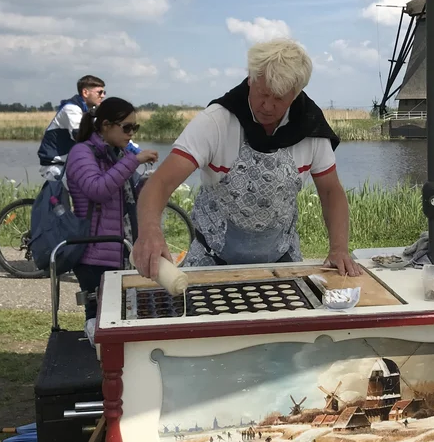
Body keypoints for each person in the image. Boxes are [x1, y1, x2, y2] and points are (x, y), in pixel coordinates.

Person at [132, 39, 362, 278]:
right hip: (211, 260)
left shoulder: (311, 129)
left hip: (281, 263)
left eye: (280, 98)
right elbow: (161, 183)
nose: (268, 106)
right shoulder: (215, 123)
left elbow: (330, 192)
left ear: (296, 94)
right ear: (250, 78)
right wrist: (149, 231)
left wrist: (339, 249)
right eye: (263, 93)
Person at [65, 98, 158, 342]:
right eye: (127, 127)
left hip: (119, 247)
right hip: (93, 250)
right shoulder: (81, 153)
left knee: (123, 313)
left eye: (135, 128)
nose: (131, 134)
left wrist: (146, 184)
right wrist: (133, 161)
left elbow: (124, 195)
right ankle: (98, 368)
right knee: (97, 316)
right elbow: (97, 189)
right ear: (106, 125)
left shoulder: (117, 153)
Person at [38, 75, 106, 181]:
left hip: (70, 164)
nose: (103, 96)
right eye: (100, 92)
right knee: (83, 187)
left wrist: (134, 150)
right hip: (56, 165)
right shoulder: (71, 109)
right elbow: (79, 135)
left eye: (104, 93)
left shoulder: (91, 111)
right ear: (85, 92)